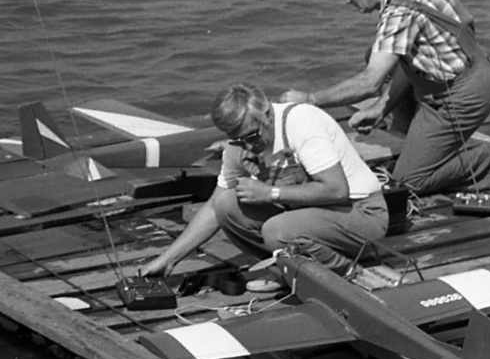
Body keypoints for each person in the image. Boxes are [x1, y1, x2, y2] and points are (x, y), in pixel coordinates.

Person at [285, 0, 490, 196]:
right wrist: (381, 107)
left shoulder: (398, 13)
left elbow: (370, 82)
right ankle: (417, 147)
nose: (347, 0)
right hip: (464, 75)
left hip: (462, 95)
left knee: (408, 183)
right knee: (376, 54)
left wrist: (309, 99)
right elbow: (405, 60)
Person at [141, 83, 389, 285]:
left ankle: (349, 273)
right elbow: (213, 207)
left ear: (268, 114)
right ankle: (291, 269)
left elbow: (336, 189)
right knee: (227, 205)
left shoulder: (300, 122)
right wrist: (169, 259)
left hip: (361, 213)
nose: (247, 146)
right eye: (237, 140)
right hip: (310, 217)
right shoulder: (237, 146)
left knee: (276, 230)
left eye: (252, 136)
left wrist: (271, 193)